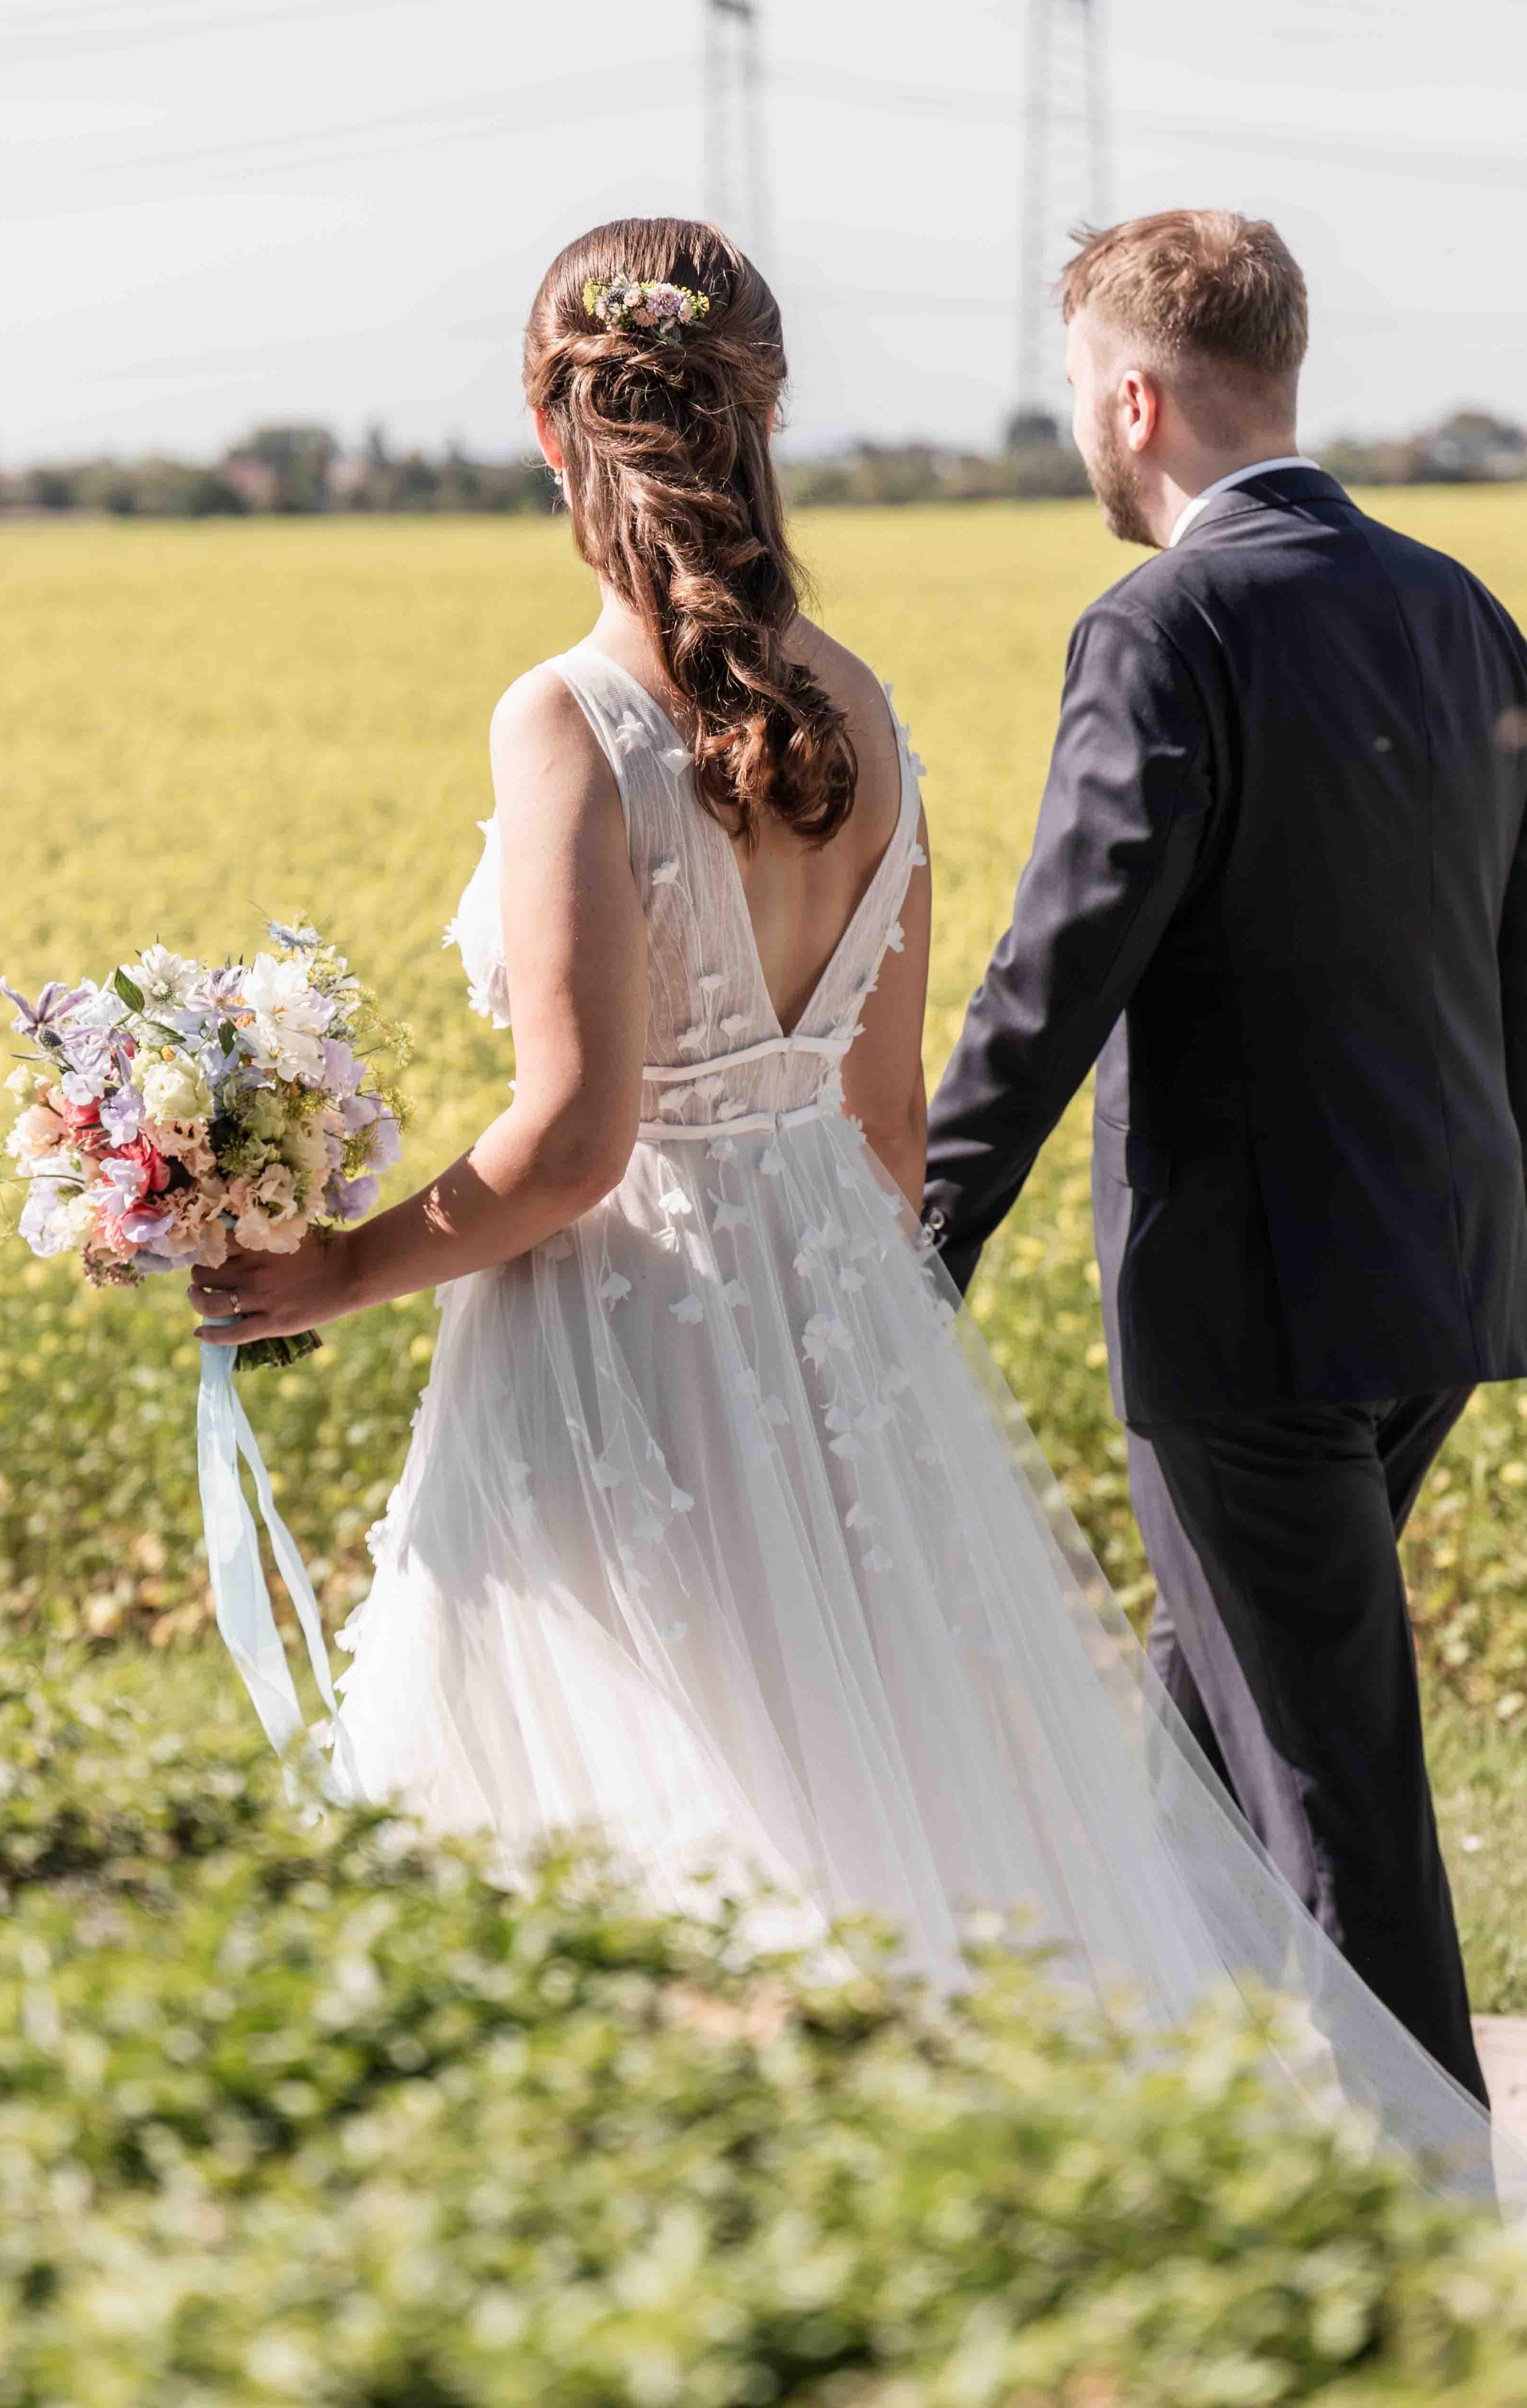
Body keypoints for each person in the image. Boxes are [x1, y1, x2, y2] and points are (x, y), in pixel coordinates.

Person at [192, 215, 1513, 2198]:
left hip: (618, 1335)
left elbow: (569, 1144)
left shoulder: (570, 716)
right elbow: (887, 1133)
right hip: (840, 1301)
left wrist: (335, 1268)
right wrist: (851, 1310)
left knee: (614, 1801)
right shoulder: (865, 713)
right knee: (888, 1791)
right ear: (768, 414)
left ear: (556, 431)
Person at [923, 207, 1527, 2114]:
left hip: (1247, 1297)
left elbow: (1064, 954)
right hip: (1435, 1270)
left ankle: (1423, 2220)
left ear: (1127, 399)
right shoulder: (1451, 606)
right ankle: (1137, 2106)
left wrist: (919, 1224)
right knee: (1201, 1738)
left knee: (1324, 1772)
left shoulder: (1163, 622)